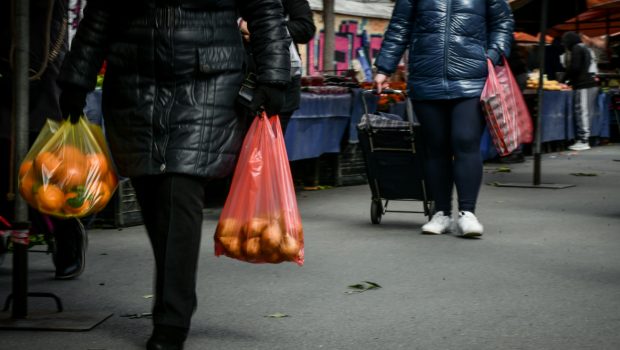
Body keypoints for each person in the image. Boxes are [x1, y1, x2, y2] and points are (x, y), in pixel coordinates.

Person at [57, 1, 291, 349]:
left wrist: (274, 76)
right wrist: (77, 77)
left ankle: (171, 318)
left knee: (178, 186)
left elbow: (265, 8)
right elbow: (101, 11)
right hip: (133, 80)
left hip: (208, 80)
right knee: (151, 189)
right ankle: (175, 297)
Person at [374, 0, 514, 238]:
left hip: (472, 79)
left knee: (465, 141)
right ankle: (441, 213)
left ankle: (467, 213)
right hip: (426, 79)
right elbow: (399, 27)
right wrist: (384, 68)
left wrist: (491, 55)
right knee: (436, 147)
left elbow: (503, 22)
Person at [0, 0, 87, 279]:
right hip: (6, 49)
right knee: (3, 151)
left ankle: (66, 232)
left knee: (46, 154)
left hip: (43, 51)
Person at [239, 0, 316, 132]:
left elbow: (306, 27)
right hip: (235, 79)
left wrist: (263, 28)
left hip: (278, 81)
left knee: (266, 146)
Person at [561, 31, 599, 151]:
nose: (565, 45)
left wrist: (565, 78)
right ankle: (585, 138)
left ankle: (583, 140)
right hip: (591, 84)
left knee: (582, 112)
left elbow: (575, 67)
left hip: (584, 85)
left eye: (565, 42)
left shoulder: (577, 48)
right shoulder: (585, 47)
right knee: (587, 112)